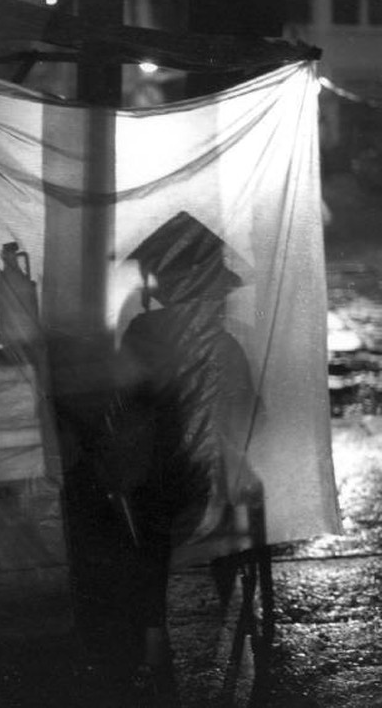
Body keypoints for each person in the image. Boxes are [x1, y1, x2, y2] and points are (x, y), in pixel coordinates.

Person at [100, 211, 257, 701]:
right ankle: (229, 599)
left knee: (135, 512)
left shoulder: (143, 334)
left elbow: (121, 408)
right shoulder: (225, 342)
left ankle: (150, 637)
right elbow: (251, 414)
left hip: (158, 490)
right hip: (214, 486)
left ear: (161, 284)